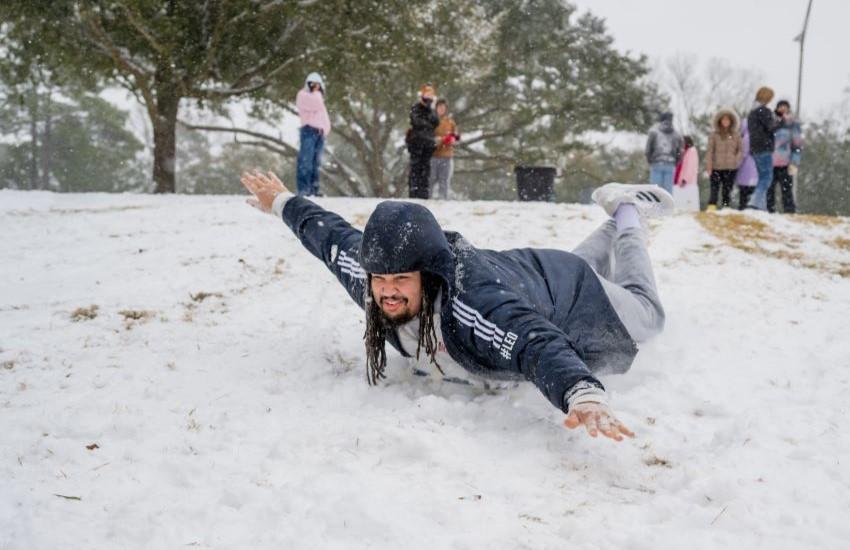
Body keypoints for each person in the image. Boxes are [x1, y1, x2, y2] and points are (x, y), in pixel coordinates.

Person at [241, 170, 677, 442]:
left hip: (573, 294)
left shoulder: (471, 304)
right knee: (575, 267)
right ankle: (613, 216)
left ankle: (629, 214)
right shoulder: (374, 278)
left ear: (429, 275)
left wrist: (580, 393)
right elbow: (331, 237)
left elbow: (534, 343)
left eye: (400, 281)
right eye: (380, 280)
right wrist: (281, 202)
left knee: (647, 313)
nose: (387, 292)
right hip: (537, 277)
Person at [295, 72, 331, 196]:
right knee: (306, 161)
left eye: (318, 85)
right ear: (308, 84)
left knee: (316, 163)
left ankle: (314, 189)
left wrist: (325, 130)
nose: (315, 87)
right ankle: (303, 189)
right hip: (309, 131)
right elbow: (315, 104)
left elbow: (323, 117)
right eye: (312, 84)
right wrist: (317, 92)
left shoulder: (318, 98)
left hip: (319, 134)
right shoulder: (303, 95)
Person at [745, 87, 779, 210]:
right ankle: (754, 202)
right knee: (766, 178)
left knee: (762, 177)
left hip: (755, 148)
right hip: (764, 147)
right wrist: (780, 121)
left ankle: (761, 207)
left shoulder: (752, 112)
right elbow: (772, 127)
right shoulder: (763, 111)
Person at [768, 100, 803, 214]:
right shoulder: (770, 122)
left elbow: (797, 145)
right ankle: (768, 212)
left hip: (785, 163)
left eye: (785, 107)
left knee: (786, 191)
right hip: (769, 162)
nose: (782, 109)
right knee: (769, 190)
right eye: (780, 107)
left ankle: (789, 212)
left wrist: (794, 162)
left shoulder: (792, 124)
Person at [705, 108, 743, 211]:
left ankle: (726, 208)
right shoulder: (714, 135)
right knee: (714, 189)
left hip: (730, 168)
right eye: (723, 119)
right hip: (716, 167)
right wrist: (709, 166)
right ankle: (711, 207)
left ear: (731, 121)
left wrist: (736, 160)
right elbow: (709, 151)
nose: (725, 121)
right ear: (720, 121)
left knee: (727, 190)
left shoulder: (736, 135)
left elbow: (740, 150)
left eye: (727, 119)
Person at [406, 84, 440, 199]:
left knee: (426, 168)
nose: (429, 96)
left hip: (428, 144)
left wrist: (430, 111)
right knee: (416, 167)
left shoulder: (432, 109)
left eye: (431, 94)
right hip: (416, 142)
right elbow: (417, 121)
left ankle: (423, 193)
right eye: (427, 93)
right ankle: (414, 191)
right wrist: (427, 123)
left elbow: (436, 122)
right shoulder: (416, 107)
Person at [645, 112, 684, 195]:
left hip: (656, 162)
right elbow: (680, 151)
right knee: (668, 190)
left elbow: (648, 149)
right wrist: (676, 162)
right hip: (670, 163)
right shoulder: (677, 134)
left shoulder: (653, 132)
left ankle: (654, 206)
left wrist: (650, 160)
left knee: (654, 189)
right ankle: (668, 207)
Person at [430, 99, 460, 200]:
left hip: (446, 156)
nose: (441, 109)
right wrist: (438, 140)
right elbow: (427, 137)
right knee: (431, 180)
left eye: (443, 107)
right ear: (436, 108)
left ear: (446, 109)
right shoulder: (431, 121)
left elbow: (457, 136)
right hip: (433, 156)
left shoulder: (450, 122)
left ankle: (443, 200)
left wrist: (452, 139)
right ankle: (427, 201)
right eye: (439, 107)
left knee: (444, 181)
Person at [735, 118, 758, 209]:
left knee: (744, 192)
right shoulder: (756, 136)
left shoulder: (746, 137)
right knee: (752, 192)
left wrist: (736, 165)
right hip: (755, 168)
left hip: (746, 169)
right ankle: (752, 207)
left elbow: (743, 154)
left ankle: (743, 207)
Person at [673, 136, 700, 211]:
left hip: (688, 183)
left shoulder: (692, 151)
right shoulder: (684, 152)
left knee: (689, 205)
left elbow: (690, 167)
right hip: (681, 183)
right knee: (681, 205)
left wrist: (685, 180)